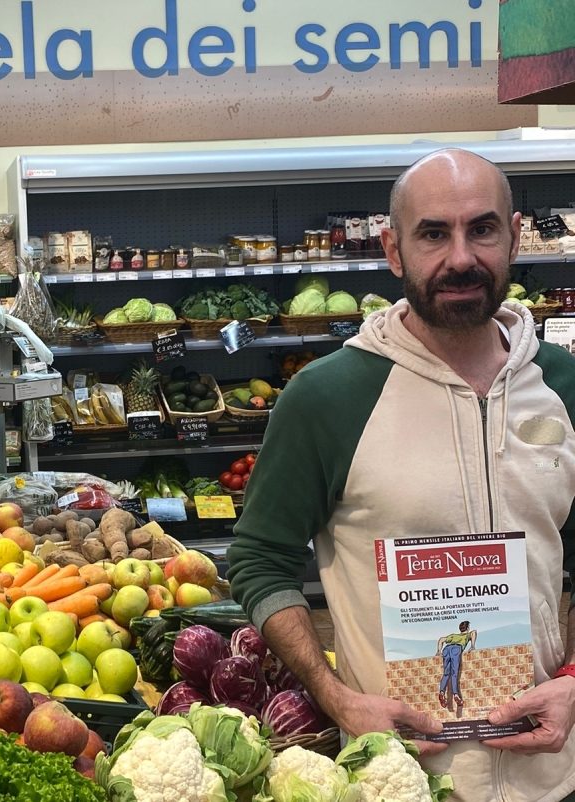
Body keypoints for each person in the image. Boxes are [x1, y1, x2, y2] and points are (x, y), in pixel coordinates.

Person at [227, 148, 575, 802]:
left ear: (515, 234)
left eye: (483, 228)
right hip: (395, 780)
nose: (461, 257)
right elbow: (259, 559)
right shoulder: (327, 397)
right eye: (434, 233)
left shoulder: (562, 384)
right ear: (393, 250)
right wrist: (336, 698)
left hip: (552, 775)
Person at [437, 620, 477, 712]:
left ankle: (442, 692)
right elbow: (474, 632)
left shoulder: (453, 635)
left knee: (446, 674)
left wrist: (439, 651)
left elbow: (441, 639)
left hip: (446, 649)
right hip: (456, 649)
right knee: (454, 674)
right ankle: (456, 695)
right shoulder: (467, 635)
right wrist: (473, 645)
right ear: (467, 628)